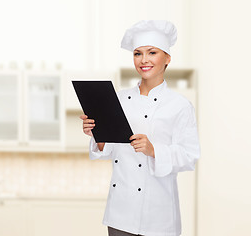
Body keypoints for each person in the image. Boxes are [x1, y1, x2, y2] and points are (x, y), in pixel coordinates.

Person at [80, 20, 201, 236]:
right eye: (137, 53)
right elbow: (108, 149)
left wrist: (153, 149)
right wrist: (97, 133)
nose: (144, 60)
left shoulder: (180, 105)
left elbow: (189, 156)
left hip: (159, 216)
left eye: (152, 52)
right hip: (120, 213)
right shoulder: (119, 99)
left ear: (167, 58)